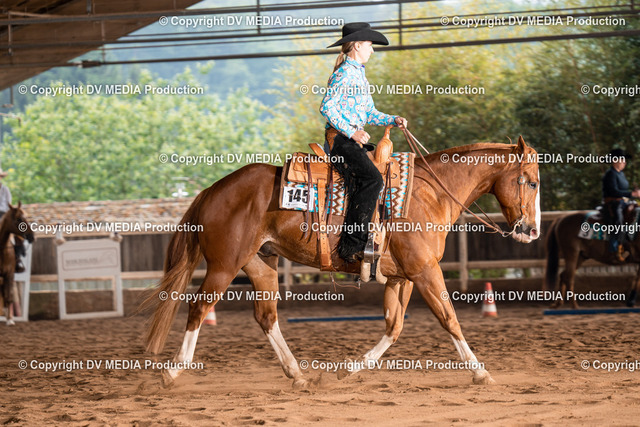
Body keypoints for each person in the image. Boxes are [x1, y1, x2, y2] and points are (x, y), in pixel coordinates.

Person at [320, 22, 408, 263]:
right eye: (369, 45)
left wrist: (392, 119)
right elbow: (327, 107)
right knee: (373, 179)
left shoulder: (358, 74)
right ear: (357, 45)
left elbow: (369, 113)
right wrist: (352, 132)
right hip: (340, 140)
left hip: (349, 140)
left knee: (375, 175)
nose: (372, 50)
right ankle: (351, 245)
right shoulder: (345, 74)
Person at [602, 148, 640, 261]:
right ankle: (615, 249)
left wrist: (633, 194)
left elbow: (623, 191)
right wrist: (632, 194)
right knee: (618, 221)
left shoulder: (621, 174)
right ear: (615, 161)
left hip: (623, 203)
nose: (625, 162)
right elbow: (614, 192)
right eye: (622, 160)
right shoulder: (610, 174)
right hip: (613, 204)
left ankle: (632, 240)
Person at [0, 169, 26, 272]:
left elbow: (8, 204)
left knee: (17, 233)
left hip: (4, 215)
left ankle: (18, 258)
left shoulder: (5, 190)